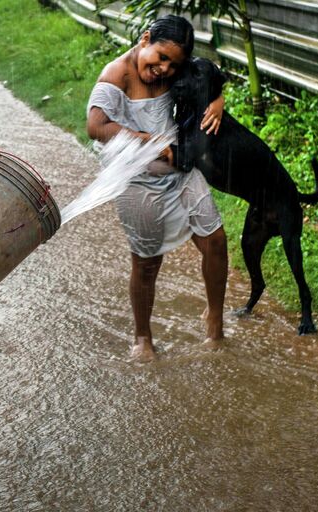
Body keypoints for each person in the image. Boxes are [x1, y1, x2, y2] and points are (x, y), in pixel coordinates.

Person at [86, 15, 229, 361]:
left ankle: (215, 322)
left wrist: (218, 100)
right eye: (160, 57)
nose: (164, 68)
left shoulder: (177, 68)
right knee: (147, 263)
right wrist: (146, 140)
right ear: (145, 39)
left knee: (216, 241)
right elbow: (96, 126)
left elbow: (209, 74)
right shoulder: (116, 74)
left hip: (179, 173)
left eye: (172, 64)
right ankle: (143, 337)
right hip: (137, 181)